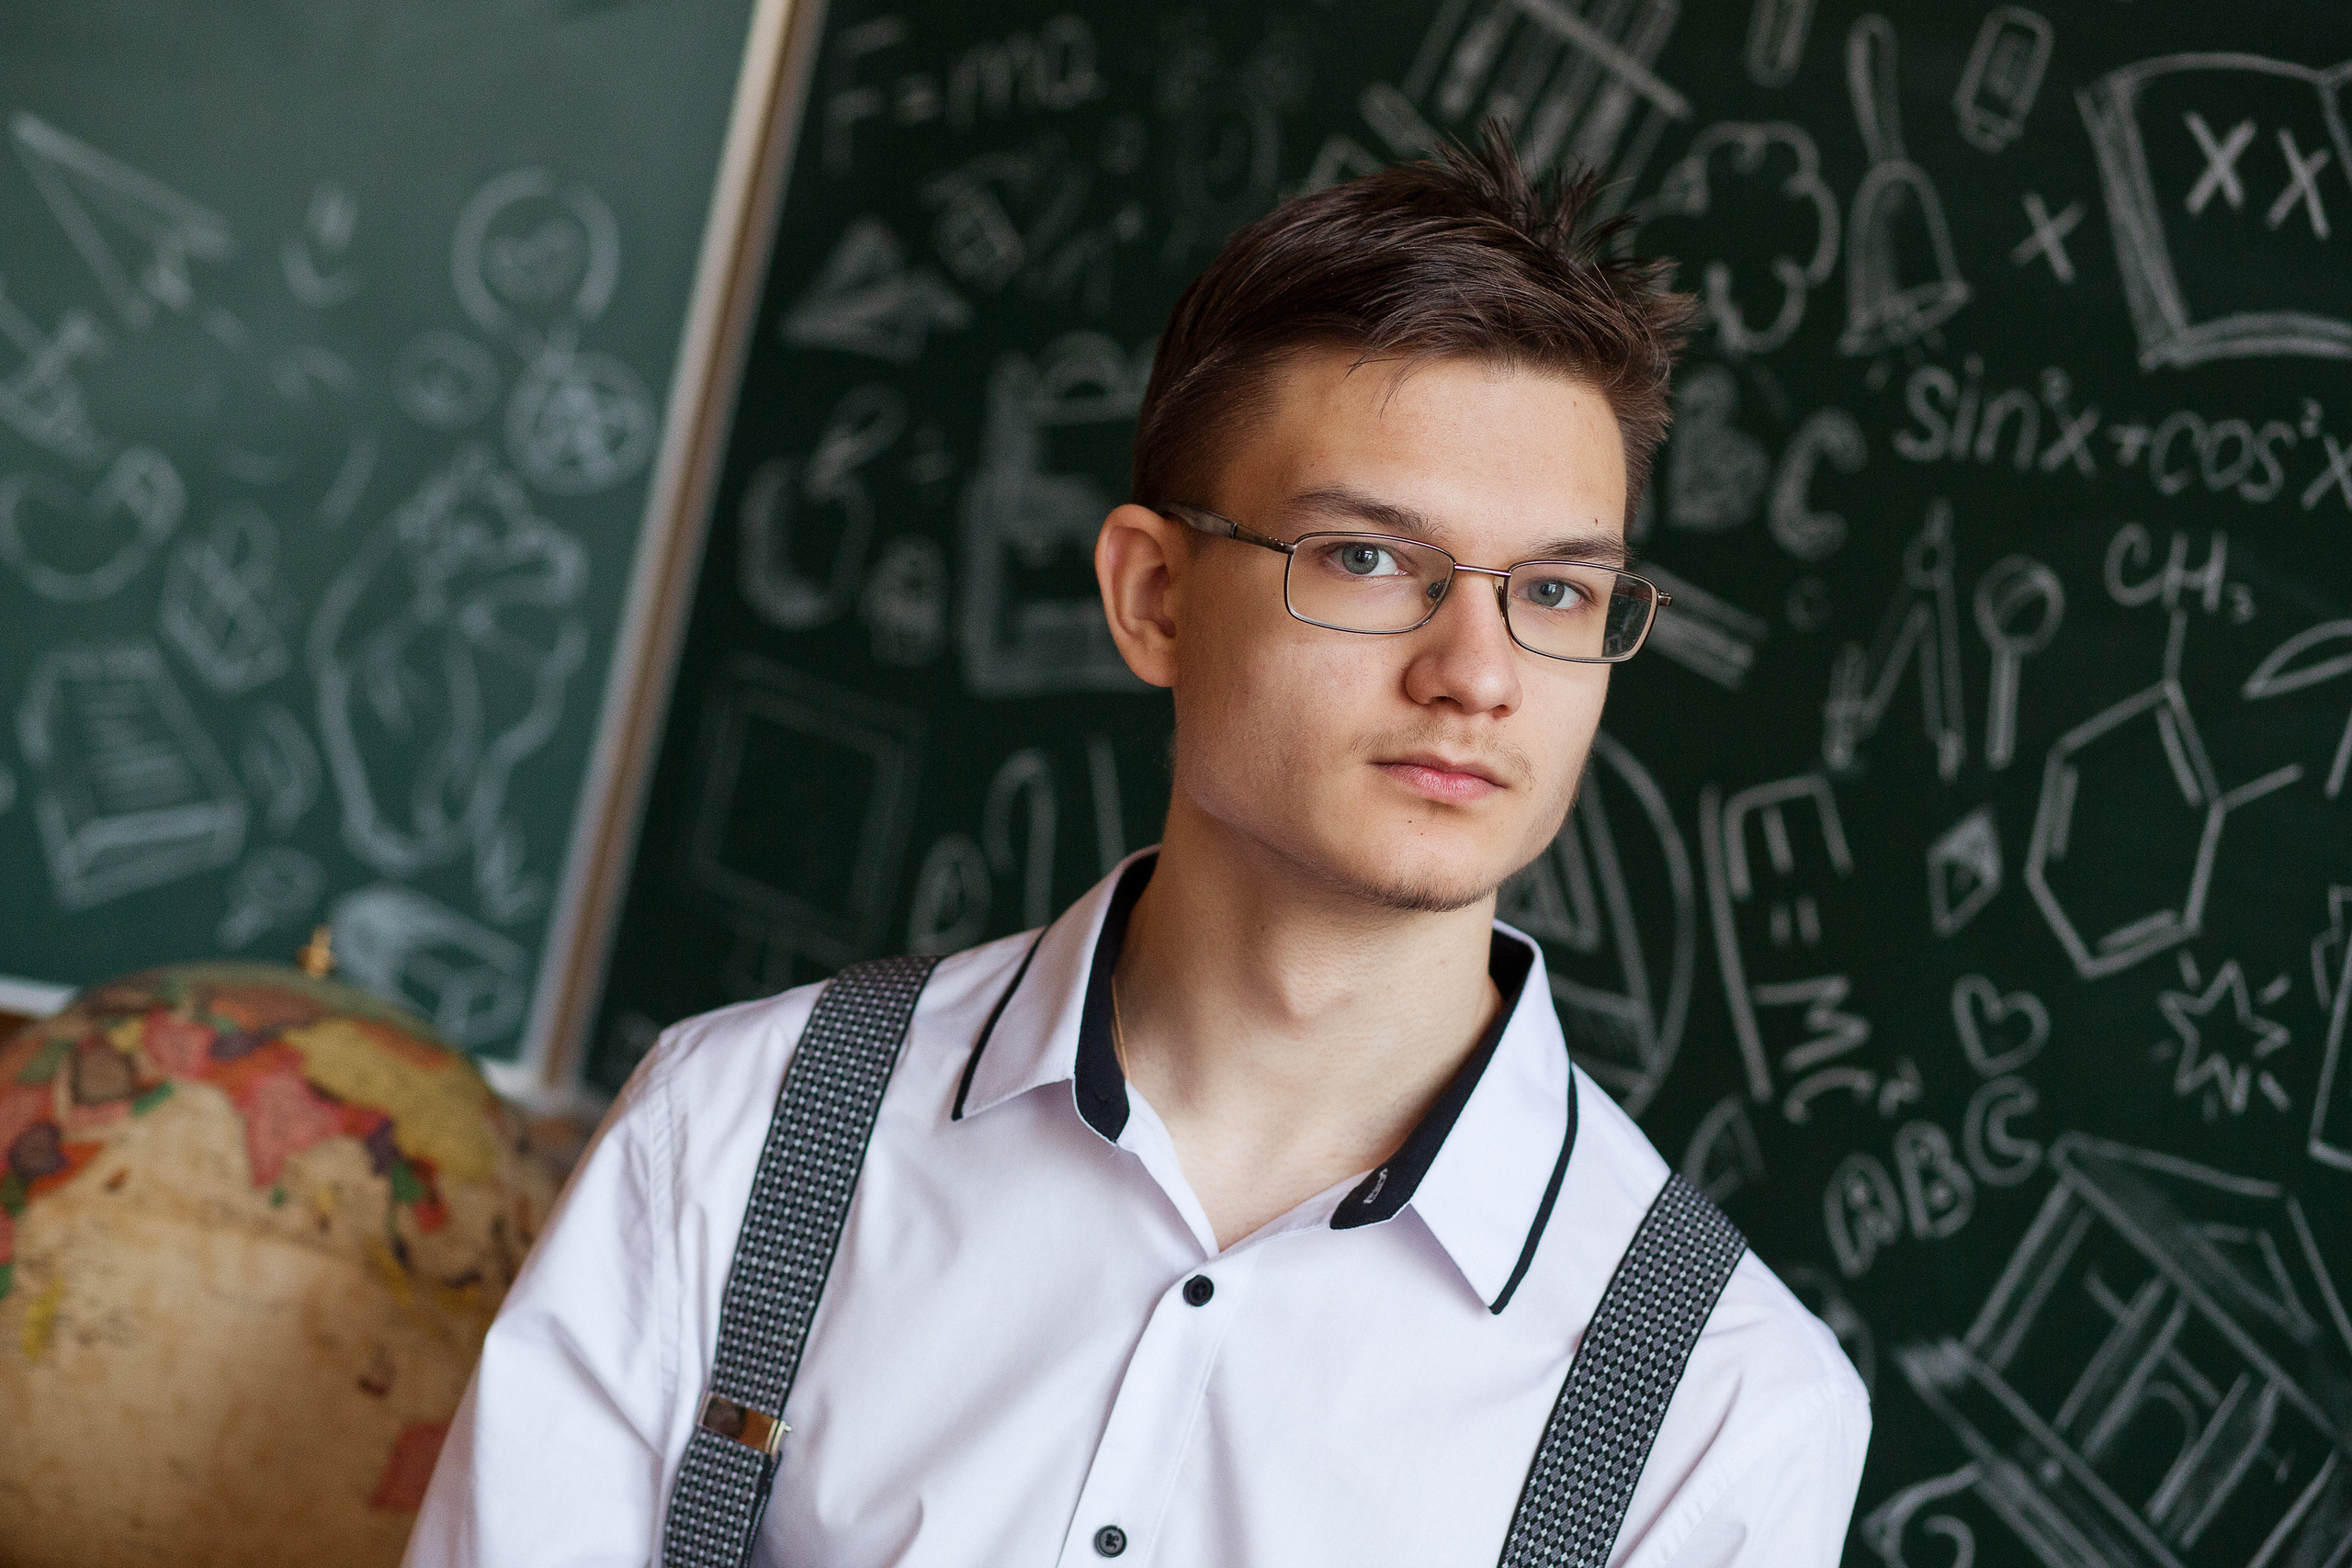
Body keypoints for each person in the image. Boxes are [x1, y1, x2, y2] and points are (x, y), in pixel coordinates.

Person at [406, 133, 1870, 1567]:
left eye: (1555, 591)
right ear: (1154, 597)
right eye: (1368, 559)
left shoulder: (1720, 1411)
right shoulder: (734, 1134)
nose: (1477, 674)